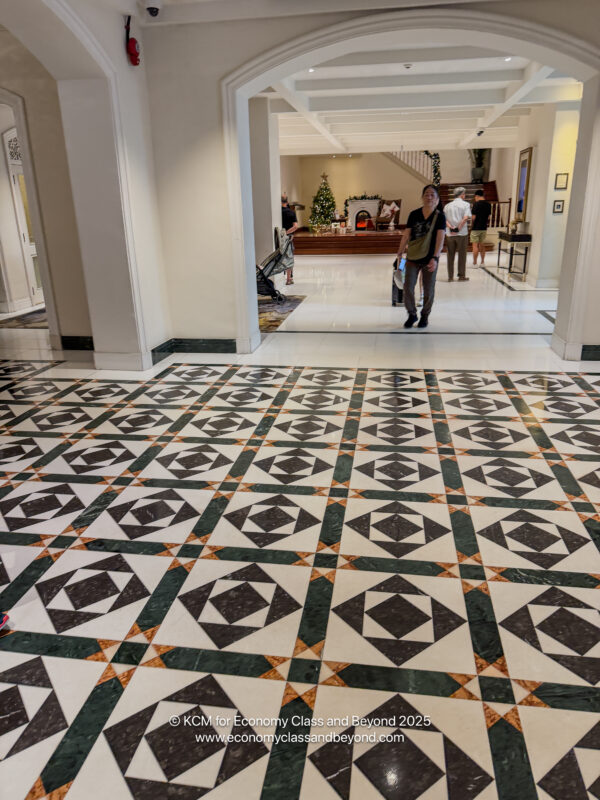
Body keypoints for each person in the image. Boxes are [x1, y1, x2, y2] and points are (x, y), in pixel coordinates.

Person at [396, 184, 446, 329]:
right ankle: (412, 314)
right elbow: (407, 234)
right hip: (412, 257)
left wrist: (435, 257)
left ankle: (425, 315)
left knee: (429, 289)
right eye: (426, 194)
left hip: (430, 258)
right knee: (408, 287)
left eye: (432, 194)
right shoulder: (414, 214)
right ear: (422, 197)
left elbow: (440, 238)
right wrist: (400, 252)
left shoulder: (440, 217)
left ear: (436, 199)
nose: (429, 197)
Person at [444, 186, 471, 281]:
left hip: (450, 234)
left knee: (450, 255)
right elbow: (465, 218)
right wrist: (458, 228)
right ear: (462, 195)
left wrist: (451, 228)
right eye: (464, 194)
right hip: (462, 233)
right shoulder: (466, 205)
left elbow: (445, 219)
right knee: (462, 255)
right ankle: (461, 276)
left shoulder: (447, 206)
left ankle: (450, 277)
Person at [471, 189, 492, 266]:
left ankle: (475, 263)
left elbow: (473, 217)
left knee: (475, 246)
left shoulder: (476, 204)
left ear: (477, 196)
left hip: (476, 228)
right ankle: (482, 262)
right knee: (482, 245)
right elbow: (489, 217)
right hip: (484, 228)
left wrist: (472, 224)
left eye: (475, 197)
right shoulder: (488, 204)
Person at [281, 194, 298, 285]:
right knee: (289, 257)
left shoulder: (277, 212)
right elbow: (295, 226)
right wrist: (287, 233)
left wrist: (282, 234)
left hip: (278, 238)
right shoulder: (291, 212)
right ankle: (289, 279)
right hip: (288, 238)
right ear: (287, 202)